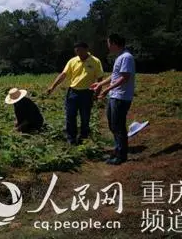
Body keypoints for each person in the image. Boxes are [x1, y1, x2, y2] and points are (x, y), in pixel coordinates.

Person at [91, 34, 136, 166]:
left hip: (121, 97)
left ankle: (121, 155)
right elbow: (114, 75)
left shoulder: (126, 57)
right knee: (113, 125)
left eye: (109, 43)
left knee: (118, 126)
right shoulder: (120, 57)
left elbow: (124, 78)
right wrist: (101, 84)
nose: (108, 46)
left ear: (115, 43)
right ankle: (117, 150)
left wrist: (106, 90)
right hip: (115, 96)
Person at [47, 42, 103, 145]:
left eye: (80, 51)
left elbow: (100, 78)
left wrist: (96, 94)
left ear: (86, 49)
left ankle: (83, 137)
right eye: (77, 51)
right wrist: (53, 86)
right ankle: (71, 139)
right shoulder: (72, 61)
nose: (79, 53)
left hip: (87, 93)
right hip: (73, 92)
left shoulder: (95, 61)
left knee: (85, 117)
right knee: (70, 116)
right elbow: (63, 75)